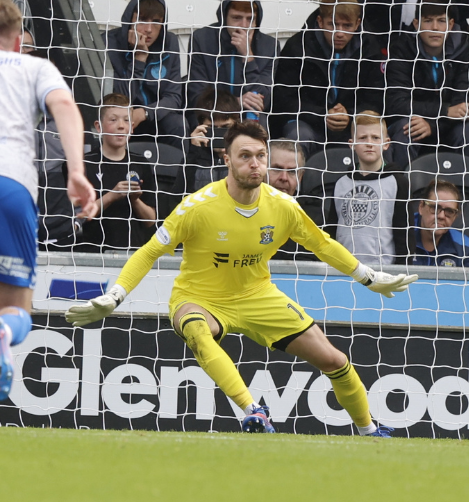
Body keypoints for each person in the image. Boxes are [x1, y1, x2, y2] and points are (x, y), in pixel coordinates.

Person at [64, 121, 416, 436]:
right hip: (200, 297)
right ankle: (254, 411)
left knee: (335, 360)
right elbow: (148, 252)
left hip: (257, 295)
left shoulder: (282, 206)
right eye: (245, 155)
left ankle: (370, 431)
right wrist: (115, 296)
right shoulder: (198, 206)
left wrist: (368, 278)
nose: (255, 163)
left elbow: (322, 244)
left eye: (260, 156)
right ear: (227, 160)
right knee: (198, 332)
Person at [0, 0, 98, 401]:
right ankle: (4, 333)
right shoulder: (36, 67)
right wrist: (76, 170)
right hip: (12, 184)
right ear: (20, 39)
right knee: (18, 304)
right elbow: (64, 107)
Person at [272, 0, 387, 148]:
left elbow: (377, 98)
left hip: (353, 123)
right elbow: (283, 99)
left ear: (357, 24)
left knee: (375, 138)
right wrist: (323, 114)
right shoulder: (298, 47)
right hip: (307, 122)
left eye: (347, 26)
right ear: (320, 22)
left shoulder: (370, 50)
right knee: (299, 136)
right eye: (332, 25)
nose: (339, 33)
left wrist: (350, 114)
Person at [384, 0, 469, 166]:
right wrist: (445, 110)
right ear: (416, 24)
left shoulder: (464, 48)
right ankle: (403, 188)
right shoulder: (401, 49)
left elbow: (464, 104)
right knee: (407, 128)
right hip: (417, 120)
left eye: (441, 21)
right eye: (428, 21)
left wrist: (433, 125)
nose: (435, 28)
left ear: (451, 24)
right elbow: (396, 103)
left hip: (447, 124)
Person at [69, 93, 159, 252]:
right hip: (91, 255)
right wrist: (111, 196)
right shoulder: (84, 164)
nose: (121, 126)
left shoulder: (141, 163)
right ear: (98, 126)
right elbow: (76, 218)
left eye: (126, 120)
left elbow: (151, 221)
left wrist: (135, 200)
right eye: (113, 119)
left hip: (132, 253)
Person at [325, 113, 411, 267]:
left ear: (386, 143)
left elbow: (404, 235)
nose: (369, 143)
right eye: (363, 138)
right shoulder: (341, 183)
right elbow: (331, 230)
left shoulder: (398, 182)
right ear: (352, 144)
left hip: (383, 271)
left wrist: (402, 270)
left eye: (375, 138)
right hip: (344, 269)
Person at [186, 0, 276, 129]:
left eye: (250, 19)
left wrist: (248, 56)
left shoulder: (269, 46)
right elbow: (197, 96)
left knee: (261, 122)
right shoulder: (202, 39)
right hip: (211, 113)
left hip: (246, 114)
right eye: (236, 18)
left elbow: (263, 100)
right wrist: (236, 102)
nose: (244, 25)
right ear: (224, 17)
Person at [107, 0, 185, 148]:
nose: (149, 29)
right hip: (121, 119)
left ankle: (176, 173)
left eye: (156, 21)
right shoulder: (109, 44)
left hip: (155, 117)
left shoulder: (169, 43)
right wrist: (139, 59)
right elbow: (115, 100)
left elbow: (174, 97)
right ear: (130, 19)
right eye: (142, 20)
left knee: (178, 125)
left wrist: (145, 113)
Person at [408, 180, 469, 267]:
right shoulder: (399, 235)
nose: (441, 216)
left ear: (455, 216)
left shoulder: (464, 247)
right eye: (435, 208)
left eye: (449, 211)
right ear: (421, 207)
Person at [185, 88, 241, 193]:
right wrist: (194, 151)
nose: (220, 134)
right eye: (212, 128)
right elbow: (177, 197)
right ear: (200, 127)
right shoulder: (195, 157)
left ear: (236, 126)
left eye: (225, 127)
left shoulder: (245, 156)